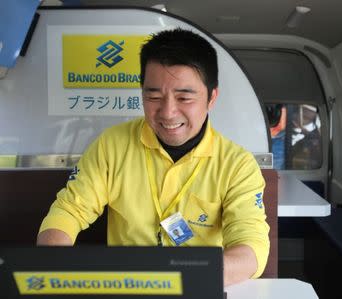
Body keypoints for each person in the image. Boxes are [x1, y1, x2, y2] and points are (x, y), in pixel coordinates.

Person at [36, 28, 270, 286]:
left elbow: (251, 247)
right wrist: (52, 268)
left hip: (201, 285)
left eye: (184, 97)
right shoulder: (111, 145)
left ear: (211, 97)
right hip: (126, 286)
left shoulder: (237, 164)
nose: (168, 113)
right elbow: (68, 212)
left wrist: (190, 279)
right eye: (154, 96)